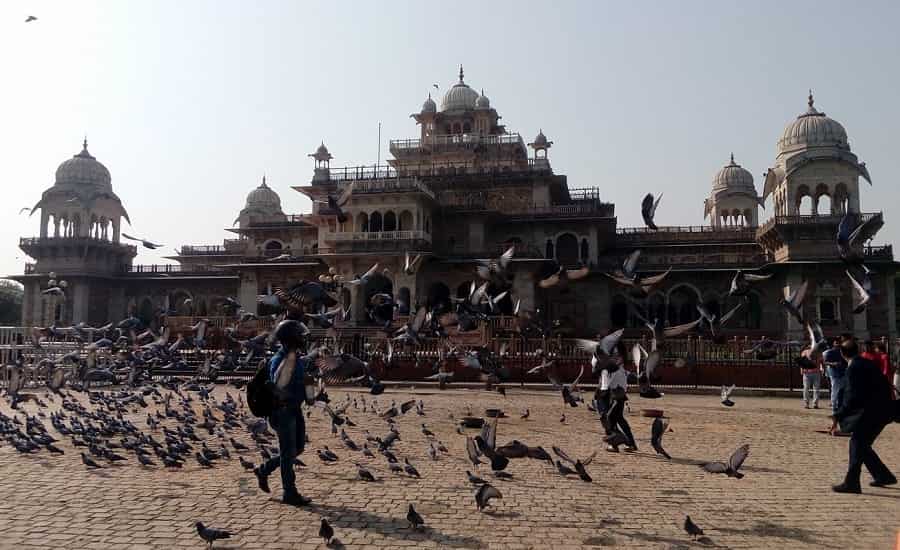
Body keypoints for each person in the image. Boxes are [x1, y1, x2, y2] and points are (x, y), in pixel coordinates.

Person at [254, 320, 313, 506]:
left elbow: (300, 381)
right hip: (283, 412)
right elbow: (276, 385)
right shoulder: (279, 360)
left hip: (295, 409)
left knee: (297, 449)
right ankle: (290, 492)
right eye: (300, 336)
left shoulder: (295, 356)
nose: (304, 339)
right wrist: (286, 394)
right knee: (288, 453)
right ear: (291, 338)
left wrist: (309, 391)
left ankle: (264, 469)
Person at [830, 337, 896, 493]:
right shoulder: (866, 364)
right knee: (862, 446)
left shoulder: (854, 368)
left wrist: (838, 415)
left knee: (857, 443)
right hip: (881, 411)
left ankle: (852, 482)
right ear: (858, 351)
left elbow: (851, 396)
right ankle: (883, 476)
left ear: (842, 353)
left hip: (873, 413)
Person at [600, 342, 637, 453]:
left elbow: (608, 383)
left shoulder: (617, 368)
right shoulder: (617, 368)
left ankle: (620, 443)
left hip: (616, 397)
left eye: (617, 355)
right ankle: (629, 443)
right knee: (619, 420)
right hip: (616, 397)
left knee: (610, 420)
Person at [823, 339, 848, 417]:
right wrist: (833, 363)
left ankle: (842, 410)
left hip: (844, 374)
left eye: (839, 342)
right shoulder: (830, 352)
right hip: (835, 375)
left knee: (843, 392)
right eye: (836, 342)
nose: (838, 344)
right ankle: (834, 409)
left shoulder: (844, 352)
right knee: (835, 392)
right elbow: (825, 362)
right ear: (833, 343)